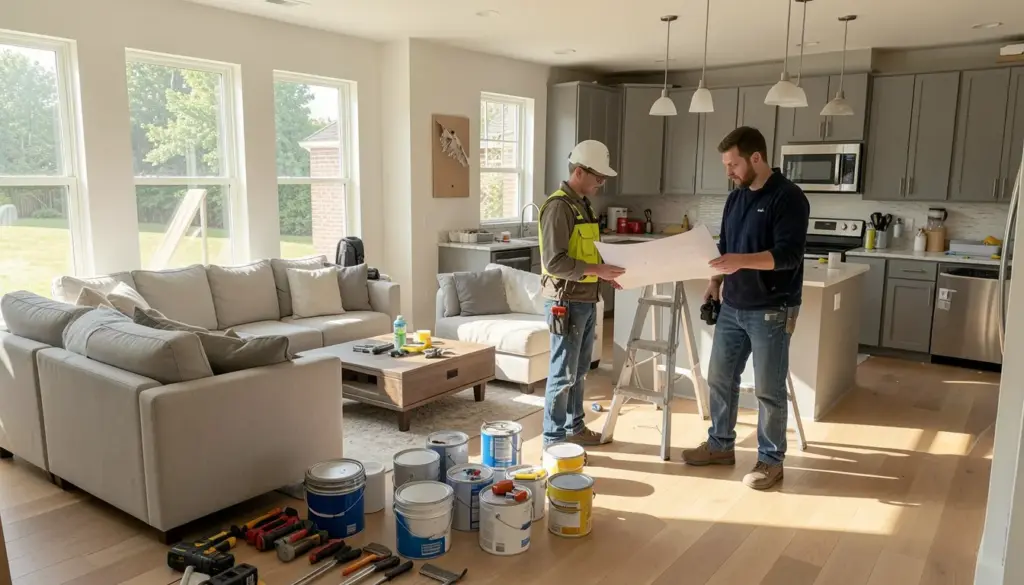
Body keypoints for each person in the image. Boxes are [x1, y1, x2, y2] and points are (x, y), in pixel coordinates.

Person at [681, 126, 809, 490]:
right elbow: (727, 247)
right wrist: (715, 281)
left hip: (772, 308)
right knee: (719, 378)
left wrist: (740, 261)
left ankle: (771, 460)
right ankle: (720, 445)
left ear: (756, 158)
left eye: (733, 164)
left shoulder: (789, 198)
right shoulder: (736, 198)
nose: (729, 171)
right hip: (733, 305)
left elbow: (788, 257)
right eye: (726, 164)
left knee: (769, 389)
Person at [538, 140, 625, 447]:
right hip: (565, 300)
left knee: (580, 370)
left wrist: (604, 272)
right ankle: (552, 439)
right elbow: (554, 262)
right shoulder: (559, 207)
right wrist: (596, 271)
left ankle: (575, 427)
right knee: (562, 374)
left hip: (586, 299)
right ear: (579, 172)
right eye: (598, 176)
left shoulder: (583, 205)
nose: (602, 182)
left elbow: (587, 253)